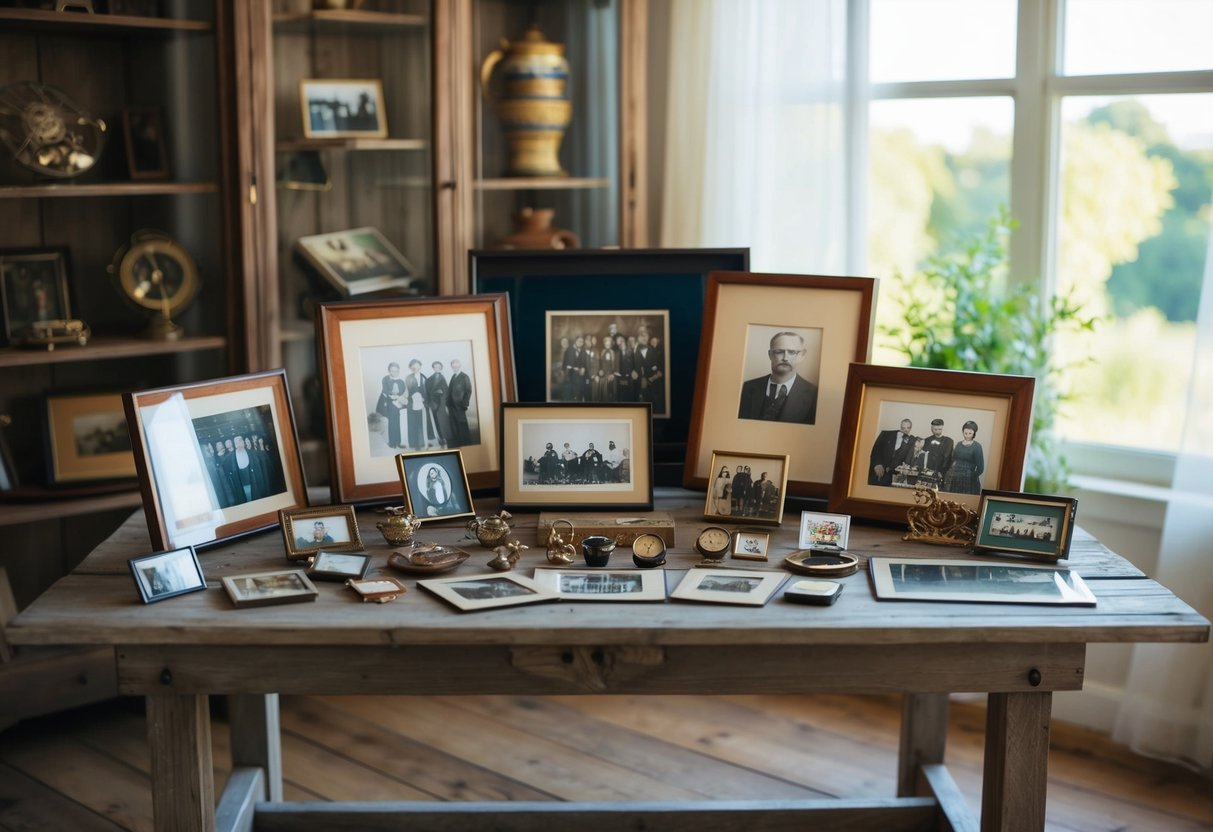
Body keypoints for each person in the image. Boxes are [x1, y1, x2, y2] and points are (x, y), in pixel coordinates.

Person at [737, 332, 819, 424]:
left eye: (792, 352)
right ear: (770, 354)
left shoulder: (815, 395)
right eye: (779, 352)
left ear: (801, 356)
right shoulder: (747, 387)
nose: (785, 358)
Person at [942, 420, 985, 495]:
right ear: (963, 432)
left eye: (970, 433)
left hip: (969, 479)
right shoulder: (958, 445)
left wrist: (971, 476)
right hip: (956, 478)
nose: (967, 435)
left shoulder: (977, 446)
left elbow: (980, 469)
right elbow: (953, 460)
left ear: (974, 433)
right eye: (965, 433)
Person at [869, 418, 915, 486]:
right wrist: (877, 464)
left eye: (908, 428)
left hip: (892, 474)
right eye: (903, 427)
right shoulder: (886, 434)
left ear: (911, 428)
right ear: (900, 426)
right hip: (878, 470)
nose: (905, 430)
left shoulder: (911, 440)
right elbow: (875, 450)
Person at [375, 362, 407, 450]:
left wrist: (398, 397)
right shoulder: (385, 379)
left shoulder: (401, 381)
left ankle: (398, 442)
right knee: (392, 423)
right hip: (388, 403)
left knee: (397, 422)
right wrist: (392, 395)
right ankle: (392, 442)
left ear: (399, 371)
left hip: (397, 403)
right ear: (389, 371)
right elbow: (385, 390)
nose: (394, 373)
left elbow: (402, 391)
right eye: (392, 371)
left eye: (396, 371)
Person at [447, 358, 473, 447]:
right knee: (454, 426)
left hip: (460, 406)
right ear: (452, 367)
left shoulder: (464, 376)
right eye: (453, 366)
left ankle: (466, 443)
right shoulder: (453, 376)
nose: (455, 368)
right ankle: (457, 444)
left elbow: (468, 390)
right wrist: (448, 403)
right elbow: (450, 390)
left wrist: (464, 404)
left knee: (462, 425)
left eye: (456, 366)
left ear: (459, 366)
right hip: (452, 406)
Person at [426, 361, 451, 448]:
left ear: (441, 368)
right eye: (435, 367)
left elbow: (446, 392)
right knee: (436, 421)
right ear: (433, 368)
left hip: (441, 403)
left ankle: (445, 438)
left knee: (443, 421)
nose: (437, 368)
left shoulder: (443, 378)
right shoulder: (429, 379)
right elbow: (427, 392)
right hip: (433, 403)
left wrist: (443, 403)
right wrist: (430, 402)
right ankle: (440, 438)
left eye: (439, 367)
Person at [403, 359, 426, 450]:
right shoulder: (408, 378)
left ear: (420, 366)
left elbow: (426, 390)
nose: (414, 367)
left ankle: (421, 443)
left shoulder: (424, 377)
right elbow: (406, 391)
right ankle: (412, 443)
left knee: (420, 422)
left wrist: (424, 399)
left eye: (416, 365)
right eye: (412, 366)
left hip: (421, 403)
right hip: (411, 403)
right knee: (411, 422)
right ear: (410, 368)